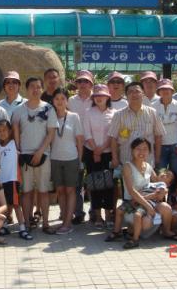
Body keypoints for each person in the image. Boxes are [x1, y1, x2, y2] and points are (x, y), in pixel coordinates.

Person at [105, 138, 177, 249]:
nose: (141, 152)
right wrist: (148, 206)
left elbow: (157, 181)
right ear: (132, 150)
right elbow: (131, 191)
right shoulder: (127, 166)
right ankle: (120, 232)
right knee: (123, 212)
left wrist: (164, 190)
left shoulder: (148, 166)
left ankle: (165, 232)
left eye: (145, 149)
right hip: (133, 201)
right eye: (138, 149)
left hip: (148, 200)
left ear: (149, 152)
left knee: (165, 208)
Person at [12, 77, 58, 234]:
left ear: (42, 89)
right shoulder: (18, 110)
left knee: (44, 191)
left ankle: (45, 223)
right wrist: (19, 152)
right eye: (32, 86)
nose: (36, 89)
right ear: (26, 89)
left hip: (43, 154)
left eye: (38, 87)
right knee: (26, 192)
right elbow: (16, 132)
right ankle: (26, 222)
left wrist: (40, 151)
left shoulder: (49, 109)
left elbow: (51, 133)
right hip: (25, 156)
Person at [50, 88, 84, 234]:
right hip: (54, 158)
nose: (60, 101)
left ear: (67, 101)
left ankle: (68, 223)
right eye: (57, 98)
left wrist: (80, 161)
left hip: (71, 158)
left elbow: (80, 140)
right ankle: (64, 220)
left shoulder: (74, 117)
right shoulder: (50, 116)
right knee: (60, 190)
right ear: (53, 101)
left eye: (62, 98)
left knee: (70, 190)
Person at [108, 82, 165, 168]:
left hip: (147, 161)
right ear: (126, 96)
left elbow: (158, 136)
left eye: (137, 91)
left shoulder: (152, 113)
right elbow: (113, 138)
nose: (134, 94)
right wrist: (115, 158)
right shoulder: (118, 115)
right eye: (130, 92)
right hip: (126, 161)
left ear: (143, 94)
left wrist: (157, 157)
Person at [82, 84, 116, 228]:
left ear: (108, 97)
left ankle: (108, 215)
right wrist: (96, 150)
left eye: (102, 95)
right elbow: (86, 133)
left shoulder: (114, 113)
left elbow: (113, 134)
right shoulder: (88, 112)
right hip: (91, 153)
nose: (99, 98)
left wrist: (101, 149)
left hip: (108, 153)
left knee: (108, 185)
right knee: (94, 185)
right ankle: (97, 216)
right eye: (96, 96)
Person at [0, 119, 33, 240]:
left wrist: (14, 122)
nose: (2, 133)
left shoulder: (14, 144)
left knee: (16, 205)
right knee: (6, 205)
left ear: (10, 131)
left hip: (12, 180)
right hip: (2, 181)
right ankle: (4, 225)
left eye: (4, 130)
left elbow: (16, 126)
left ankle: (22, 228)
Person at [68, 69, 94, 225]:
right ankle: (78, 212)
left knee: (94, 181)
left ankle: (94, 212)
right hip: (75, 146)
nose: (83, 84)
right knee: (76, 182)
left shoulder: (97, 98)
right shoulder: (70, 101)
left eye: (86, 81)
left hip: (93, 146)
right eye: (80, 81)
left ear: (91, 83)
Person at [153, 79, 177, 177]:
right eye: (162, 89)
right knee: (161, 174)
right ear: (158, 92)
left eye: (168, 89)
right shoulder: (153, 107)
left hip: (175, 145)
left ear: (172, 91)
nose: (165, 91)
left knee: (176, 174)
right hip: (160, 146)